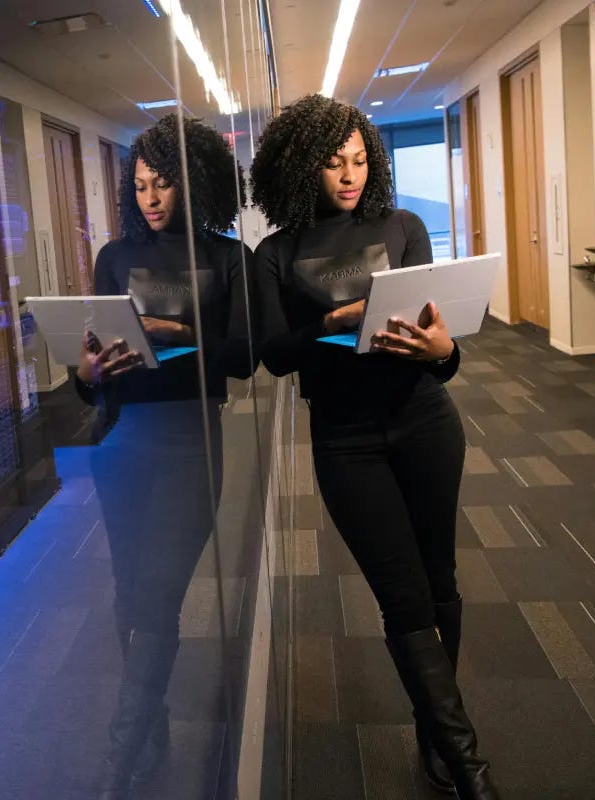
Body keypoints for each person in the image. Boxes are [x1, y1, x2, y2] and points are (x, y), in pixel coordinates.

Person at [247, 94, 499, 799]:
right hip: (346, 439)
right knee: (402, 595)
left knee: (439, 580)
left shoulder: (404, 226)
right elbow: (273, 354)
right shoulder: (277, 253)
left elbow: (437, 355)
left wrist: (445, 349)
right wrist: (340, 317)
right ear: (302, 167)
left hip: (425, 421)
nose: (349, 176)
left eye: (359, 160)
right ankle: (469, 763)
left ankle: (436, 734)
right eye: (333, 164)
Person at [71, 113, 252, 798]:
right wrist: (86, 375)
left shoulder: (226, 257)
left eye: (163, 183)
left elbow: (243, 359)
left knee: (159, 591)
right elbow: (90, 373)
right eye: (141, 185)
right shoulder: (114, 258)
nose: (150, 197)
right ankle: (150, 725)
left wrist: (183, 330)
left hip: (191, 437)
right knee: (129, 594)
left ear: (194, 181)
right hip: (122, 439)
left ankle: (118, 757)